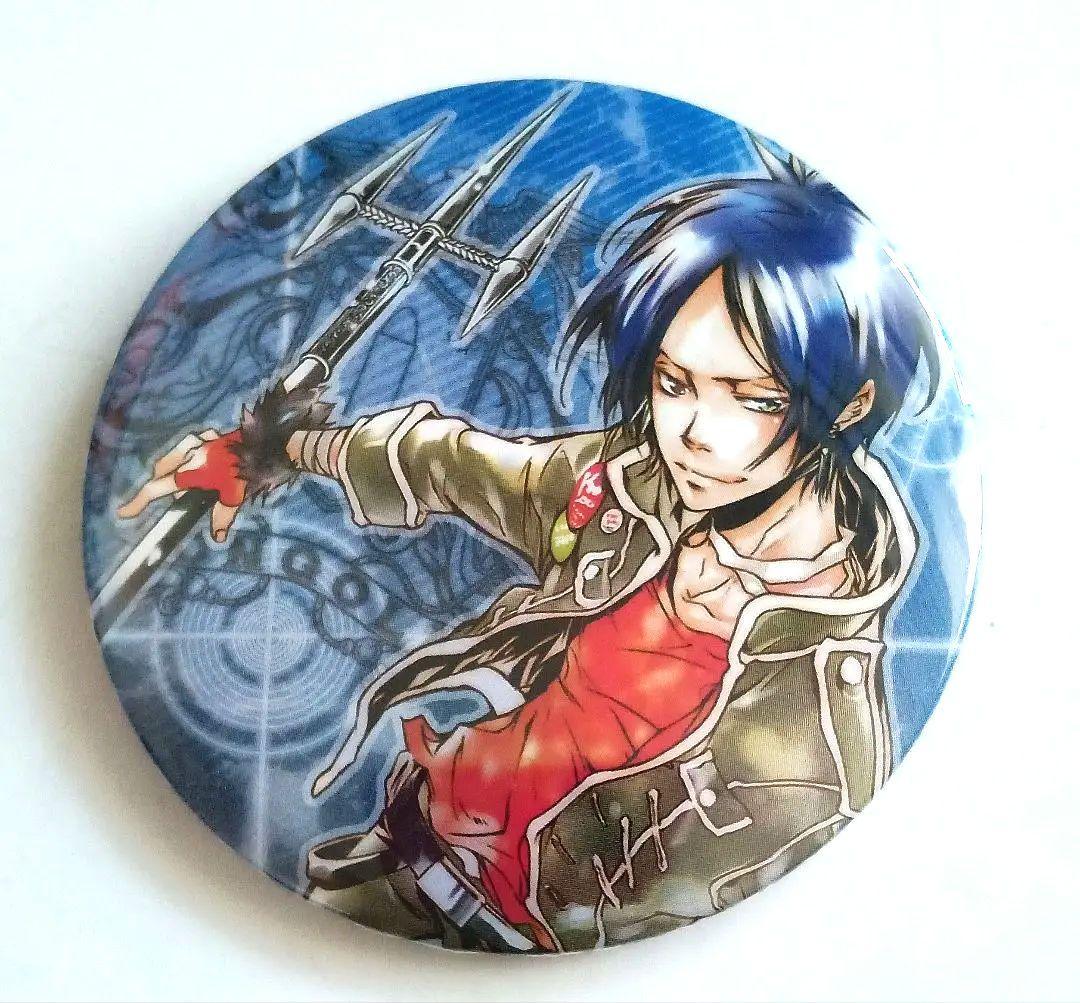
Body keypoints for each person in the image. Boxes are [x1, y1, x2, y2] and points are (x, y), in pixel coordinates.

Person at [119, 141, 939, 951]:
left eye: (751, 398)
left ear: (849, 404)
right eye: (672, 381)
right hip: (398, 856)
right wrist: (264, 450)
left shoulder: (820, 736)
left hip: (512, 945)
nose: (691, 431)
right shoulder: (629, 487)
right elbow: (453, 461)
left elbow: (697, 914)